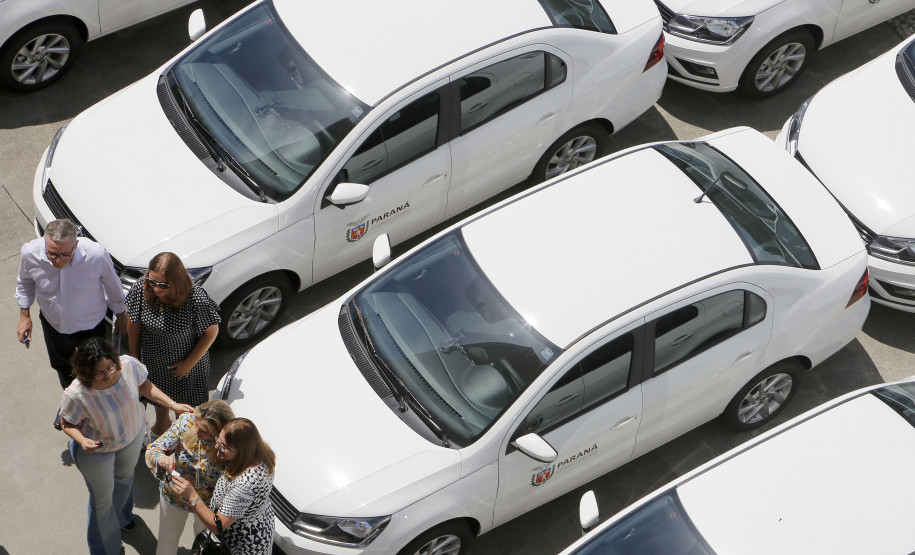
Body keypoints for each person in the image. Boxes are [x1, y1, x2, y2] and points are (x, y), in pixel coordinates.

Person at [60, 337, 193, 555]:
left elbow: (143, 385)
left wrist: (172, 404)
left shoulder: (128, 365)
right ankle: (105, 549)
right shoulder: (77, 394)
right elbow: (67, 423)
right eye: (100, 373)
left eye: (110, 367)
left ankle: (123, 518)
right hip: (97, 453)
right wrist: (82, 440)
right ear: (85, 371)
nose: (108, 375)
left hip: (131, 438)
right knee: (101, 504)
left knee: (124, 479)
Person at [15, 218, 127, 390]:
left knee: (97, 367)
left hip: (91, 326)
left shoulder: (96, 255)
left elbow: (114, 288)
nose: (57, 261)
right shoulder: (30, 253)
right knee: (62, 366)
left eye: (65, 255)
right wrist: (24, 316)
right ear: (44, 239)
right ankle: (74, 398)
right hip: (53, 326)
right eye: (51, 253)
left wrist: (120, 315)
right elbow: (25, 282)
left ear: (75, 245)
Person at [126, 252, 220, 436]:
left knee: (183, 409)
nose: (156, 288)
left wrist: (189, 364)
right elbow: (133, 321)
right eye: (152, 281)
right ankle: (161, 425)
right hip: (153, 358)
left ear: (177, 281)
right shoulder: (142, 288)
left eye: (163, 285)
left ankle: (179, 437)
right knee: (158, 399)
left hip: (186, 363)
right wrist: (134, 354)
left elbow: (211, 332)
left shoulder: (195, 299)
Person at [145, 399, 235, 555]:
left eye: (205, 431)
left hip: (207, 504)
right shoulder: (187, 422)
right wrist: (161, 458)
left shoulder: (230, 443)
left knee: (205, 542)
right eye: (197, 425)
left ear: (220, 431)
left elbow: (233, 477)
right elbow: (154, 448)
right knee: (167, 539)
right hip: (174, 495)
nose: (197, 432)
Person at [172, 418, 276, 555]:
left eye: (224, 447)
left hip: (239, 543)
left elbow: (217, 525)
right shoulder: (260, 453)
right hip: (259, 521)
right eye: (218, 440)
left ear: (242, 450)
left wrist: (192, 496)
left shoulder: (245, 484)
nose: (216, 448)